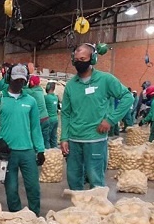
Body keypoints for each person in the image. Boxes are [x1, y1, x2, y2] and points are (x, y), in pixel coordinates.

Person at [60, 44, 133, 190]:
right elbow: (66, 113)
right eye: (76, 59)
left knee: (95, 179)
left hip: (95, 139)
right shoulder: (70, 86)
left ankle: (96, 211)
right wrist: (64, 138)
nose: (79, 62)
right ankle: (78, 210)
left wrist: (111, 120)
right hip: (74, 140)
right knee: (73, 179)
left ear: (92, 59)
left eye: (83, 58)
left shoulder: (105, 79)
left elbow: (127, 97)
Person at [0, 64, 46, 215]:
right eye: (15, 80)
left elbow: (35, 128)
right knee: (11, 189)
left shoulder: (30, 101)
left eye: (21, 81)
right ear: (8, 79)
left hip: (27, 152)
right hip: (8, 154)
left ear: (26, 81)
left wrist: (40, 150)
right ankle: (16, 217)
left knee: (33, 187)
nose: (19, 83)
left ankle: (35, 216)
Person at [25, 75, 50, 147]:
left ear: (32, 83)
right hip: (46, 118)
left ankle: (38, 154)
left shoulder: (32, 92)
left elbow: (21, 90)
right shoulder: (40, 90)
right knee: (46, 140)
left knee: (36, 139)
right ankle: (47, 154)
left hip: (39, 120)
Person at [44, 82, 60, 148]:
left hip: (49, 119)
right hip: (55, 119)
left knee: (47, 138)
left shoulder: (46, 97)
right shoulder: (55, 97)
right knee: (54, 137)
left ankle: (48, 153)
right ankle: (55, 152)